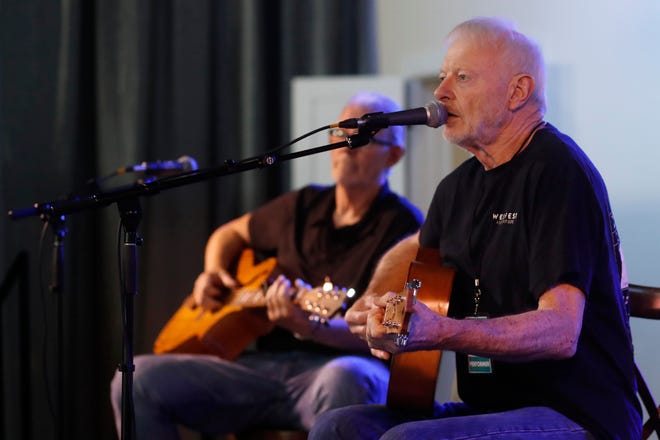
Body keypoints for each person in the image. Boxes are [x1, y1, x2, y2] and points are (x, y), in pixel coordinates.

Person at [309, 17, 642, 439]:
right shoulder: (457, 188)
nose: (440, 92)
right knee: (338, 427)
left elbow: (561, 332)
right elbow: (418, 250)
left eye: (462, 77)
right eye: (444, 75)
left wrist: (442, 331)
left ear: (517, 92)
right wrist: (375, 308)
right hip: (488, 408)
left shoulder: (557, 171)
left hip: (577, 415)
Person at [110, 91, 424, 438]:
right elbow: (228, 234)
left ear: (394, 156)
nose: (346, 144)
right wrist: (214, 272)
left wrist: (312, 327)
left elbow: (395, 334)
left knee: (346, 377)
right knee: (136, 381)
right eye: (340, 131)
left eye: (363, 136)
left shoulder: (405, 228)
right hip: (261, 369)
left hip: (339, 368)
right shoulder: (301, 205)